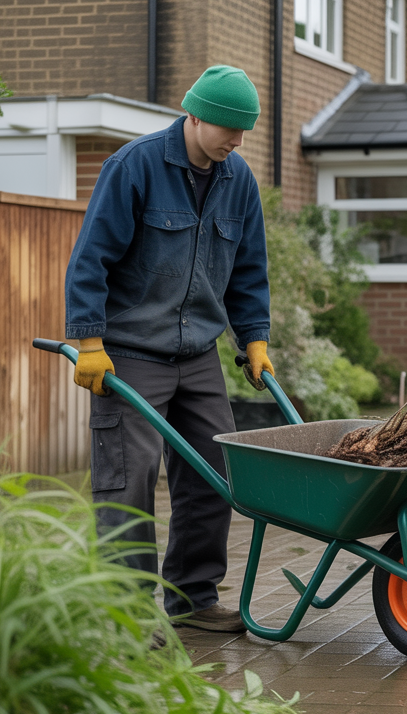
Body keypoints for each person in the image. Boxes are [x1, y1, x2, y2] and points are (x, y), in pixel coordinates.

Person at [65, 65, 275, 631]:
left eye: (245, 130)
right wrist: (89, 341)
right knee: (129, 479)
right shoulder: (134, 166)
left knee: (216, 470)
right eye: (230, 128)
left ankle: (193, 598)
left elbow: (248, 269)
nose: (237, 141)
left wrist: (254, 339)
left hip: (198, 353)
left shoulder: (238, 180)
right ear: (196, 116)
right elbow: (90, 259)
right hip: (130, 353)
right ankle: (128, 616)